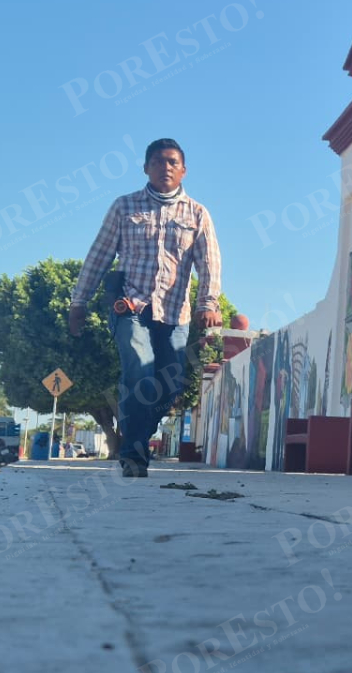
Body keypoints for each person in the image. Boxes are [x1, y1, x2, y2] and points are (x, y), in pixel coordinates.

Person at [69, 138, 223, 477]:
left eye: (172, 162)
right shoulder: (124, 207)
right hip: (131, 308)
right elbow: (99, 256)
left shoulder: (197, 213)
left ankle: (136, 436)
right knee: (138, 369)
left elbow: (209, 263)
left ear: (183, 170)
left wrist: (208, 304)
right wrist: (78, 302)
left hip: (174, 313)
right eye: (157, 162)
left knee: (169, 385)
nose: (164, 168)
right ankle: (134, 455)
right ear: (145, 168)